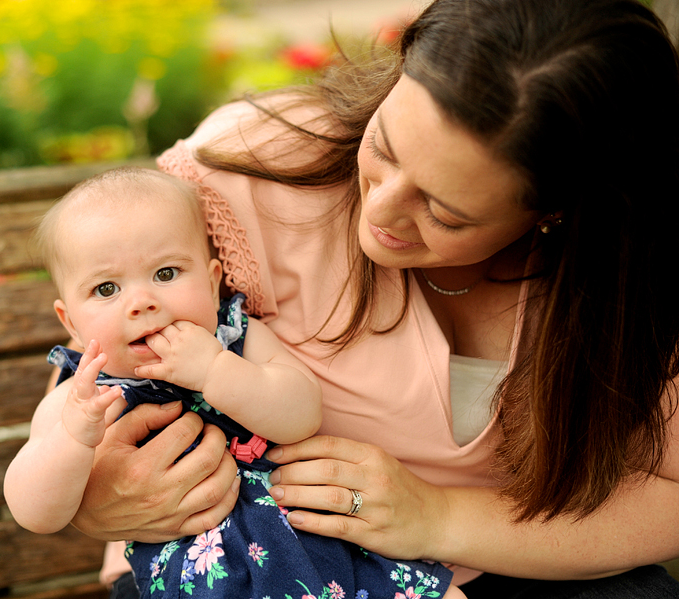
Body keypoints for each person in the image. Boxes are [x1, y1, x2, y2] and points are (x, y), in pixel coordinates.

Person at [60, 1, 679, 598]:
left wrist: (438, 517)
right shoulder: (255, 165)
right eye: (383, 148)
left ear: (556, 212)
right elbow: (99, 349)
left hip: (504, 553)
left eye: (445, 213)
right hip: (237, 563)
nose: (380, 211)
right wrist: (93, 493)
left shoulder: (631, 279)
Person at [4, 167, 465, 599]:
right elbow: (34, 512)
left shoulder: (235, 339)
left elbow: (302, 414)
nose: (141, 302)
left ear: (211, 284)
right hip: (202, 575)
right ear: (71, 322)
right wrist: (73, 440)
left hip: (315, 541)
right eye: (106, 289)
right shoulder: (81, 400)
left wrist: (216, 371)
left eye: (166, 274)